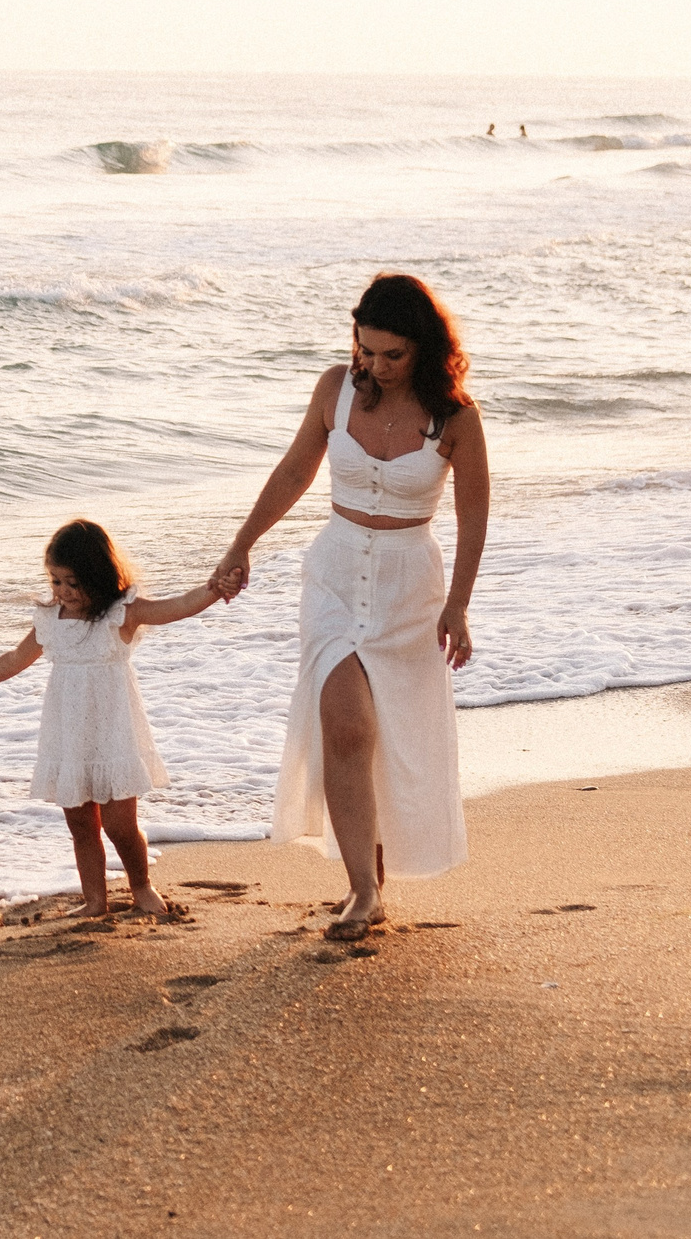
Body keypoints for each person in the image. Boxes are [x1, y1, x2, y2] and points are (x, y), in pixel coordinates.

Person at [209, 273, 490, 940]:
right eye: (367, 350)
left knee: (389, 736)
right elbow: (293, 471)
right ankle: (363, 889)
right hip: (334, 575)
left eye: (392, 354)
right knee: (345, 724)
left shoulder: (455, 417)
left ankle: (379, 869)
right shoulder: (336, 388)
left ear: (423, 347)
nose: (376, 365)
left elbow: (474, 511)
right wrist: (241, 545)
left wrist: (460, 604)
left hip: (408, 588)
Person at [0, 520, 222, 917]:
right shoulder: (50, 619)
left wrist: (215, 588)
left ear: (99, 576)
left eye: (71, 583)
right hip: (68, 733)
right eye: (55, 581)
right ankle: (95, 899)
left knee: (119, 824)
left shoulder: (120, 614)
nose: (62, 592)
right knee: (80, 822)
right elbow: (15, 659)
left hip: (113, 731)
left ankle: (142, 887)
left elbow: (177, 607)